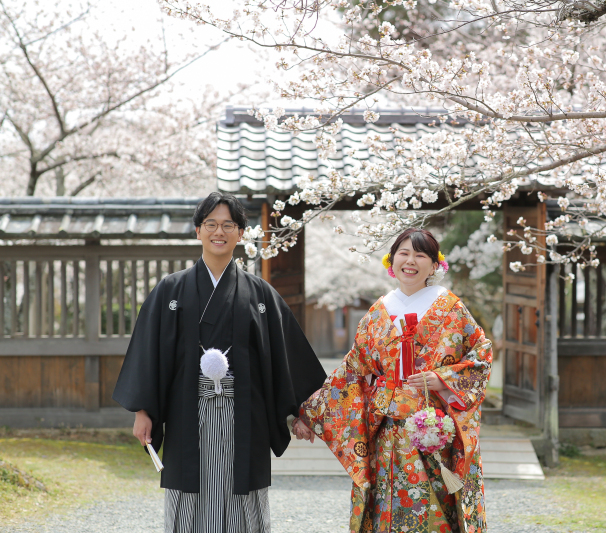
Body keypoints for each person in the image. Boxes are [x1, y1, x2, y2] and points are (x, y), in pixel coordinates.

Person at [113, 192, 327, 533]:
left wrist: (302, 410)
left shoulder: (260, 294)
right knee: (188, 493)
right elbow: (148, 354)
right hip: (187, 410)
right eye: (210, 224)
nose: (219, 231)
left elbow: (288, 355)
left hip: (245, 413)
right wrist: (143, 412)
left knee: (244, 495)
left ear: (241, 234)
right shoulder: (171, 290)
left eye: (229, 224)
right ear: (198, 231)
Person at [293, 228, 492, 533]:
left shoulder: (451, 309)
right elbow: (352, 371)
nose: (411, 261)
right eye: (404, 253)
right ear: (392, 259)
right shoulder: (378, 312)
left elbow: (481, 354)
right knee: (386, 508)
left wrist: (442, 379)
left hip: (435, 429)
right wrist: (309, 413)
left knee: (435, 509)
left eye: (420, 255)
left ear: (434, 265)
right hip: (387, 431)